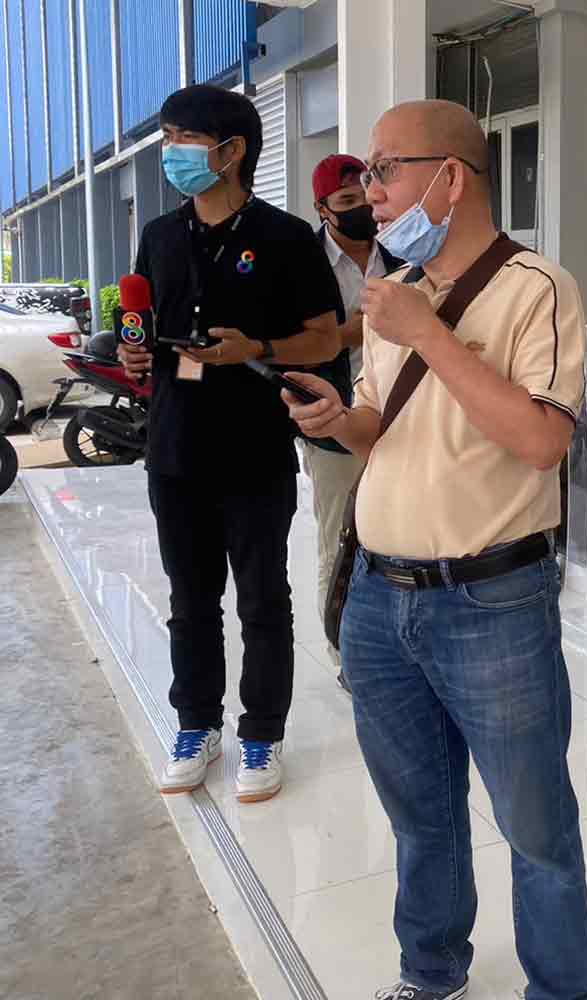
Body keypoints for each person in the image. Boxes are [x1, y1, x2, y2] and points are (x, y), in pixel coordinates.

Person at [283, 99, 587, 1000]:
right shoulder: (395, 288)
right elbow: (381, 427)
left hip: (491, 600)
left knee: (536, 825)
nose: (366, 192)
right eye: (367, 176)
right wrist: (338, 418)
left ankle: (564, 990)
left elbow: (542, 441)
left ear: (450, 178)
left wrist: (428, 333)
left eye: (384, 170)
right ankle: (431, 973)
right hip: (382, 599)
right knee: (420, 816)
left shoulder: (538, 287)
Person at [118, 85, 342, 805]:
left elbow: (327, 335)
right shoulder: (158, 235)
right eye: (167, 138)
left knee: (261, 601)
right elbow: (143, 321)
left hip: (253, 451)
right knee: (189, 598)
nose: (169, 152)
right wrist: (136, 357)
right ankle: (195, 723)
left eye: (180, 137)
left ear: (231, 149)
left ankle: (262, 735)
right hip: (175, 447)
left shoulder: (284, 238)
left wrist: (260, 347)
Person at [304, 153, 401, 691]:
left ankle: (392, 642)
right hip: (335, 419)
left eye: (365, 196)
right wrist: (360, 329)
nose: (362, 208)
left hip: (400, 415)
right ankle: (344, 651)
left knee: (393, 532)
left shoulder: (399, 248)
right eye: (346, 203)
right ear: (323, 209)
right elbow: (309, 340)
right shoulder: (307, 263)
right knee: (340, 537)